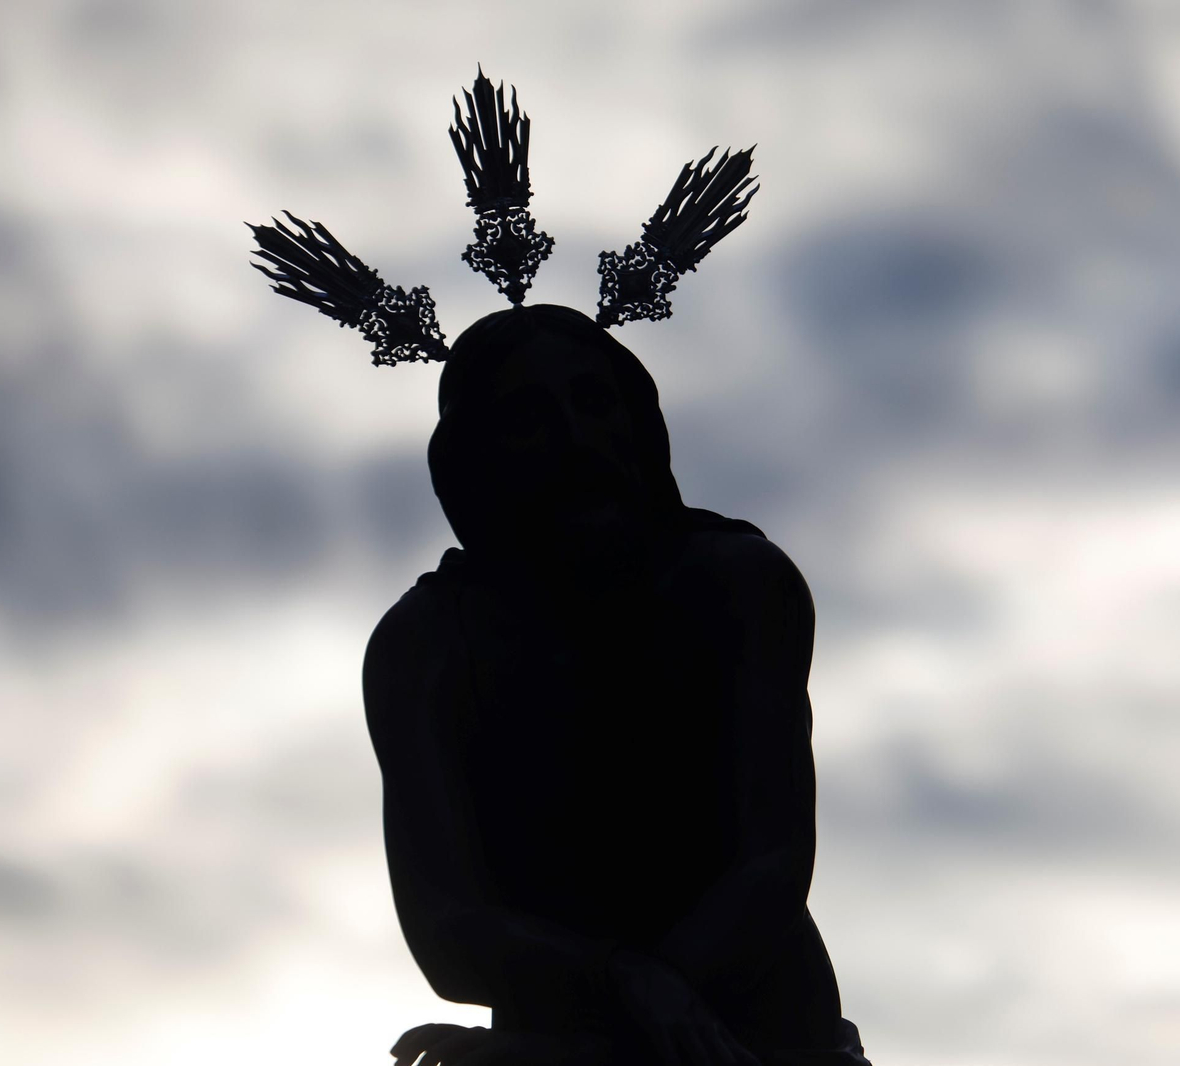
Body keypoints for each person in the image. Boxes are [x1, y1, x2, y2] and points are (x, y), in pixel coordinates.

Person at [361, 305, 869, 1066]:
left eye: (595, 403)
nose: (576, 439)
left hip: (756, 1037)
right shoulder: (425, 647)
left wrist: (639, 1006)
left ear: (639, 422)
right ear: (478, 457)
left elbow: (771, 863)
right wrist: (624, 987)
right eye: (530, 418)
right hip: (561, 1036)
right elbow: (444, 924)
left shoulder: (734, 585)